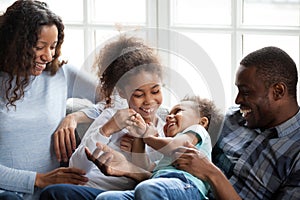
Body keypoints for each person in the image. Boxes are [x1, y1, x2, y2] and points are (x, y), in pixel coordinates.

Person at [39, 35, 166, 200]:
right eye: (139, 94)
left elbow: (156, 181)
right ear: (122, 93)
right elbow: (76, 167)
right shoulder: (111, 115)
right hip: (87, 188)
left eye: (155, 91)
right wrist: (107, 129)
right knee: (55, 193)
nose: (149, 101)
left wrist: (141, 142)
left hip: (117, 195)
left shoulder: (165, 131)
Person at [172, 46, 300, 200]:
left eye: (246, 92)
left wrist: (212, 173)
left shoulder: (296, 153)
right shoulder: (233, 117)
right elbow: (188, 136)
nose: (237, 100)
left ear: (278, 91)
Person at [0, 1, 98, 199]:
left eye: (53, 46)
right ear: (14, 45)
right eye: (39, 47)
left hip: (53, 193)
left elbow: (116, 98)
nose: (48, 55)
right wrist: (38, 179)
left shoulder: (60, 74)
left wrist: (75, 117)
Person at [85, 95, 223, 200]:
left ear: (202, 121)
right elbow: (144, 167)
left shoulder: (197, 131)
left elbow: (173, 146)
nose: (170, 116)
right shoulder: (166, 160)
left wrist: (147, 135)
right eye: (170, 113)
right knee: (107, 198)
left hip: (186, 187)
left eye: (178, 111)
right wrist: (139, 138)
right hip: (156, 187)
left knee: (147, 189)